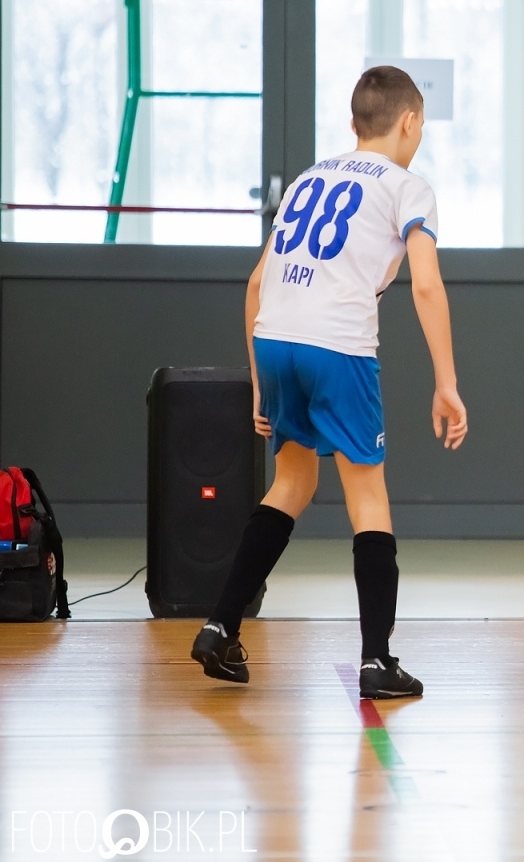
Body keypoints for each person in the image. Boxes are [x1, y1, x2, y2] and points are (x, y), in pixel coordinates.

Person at [190, 65, 467, 701]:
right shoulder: (409, 187)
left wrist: (260, 380)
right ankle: (377, 660)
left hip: (276, 338)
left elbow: (258, 283)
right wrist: (445, 382)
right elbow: (425, 284)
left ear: (352, 125)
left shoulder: (310, 176)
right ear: (410, 123)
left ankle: (219, 625)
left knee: (292, 481)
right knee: (367, 496)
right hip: (337, 345)